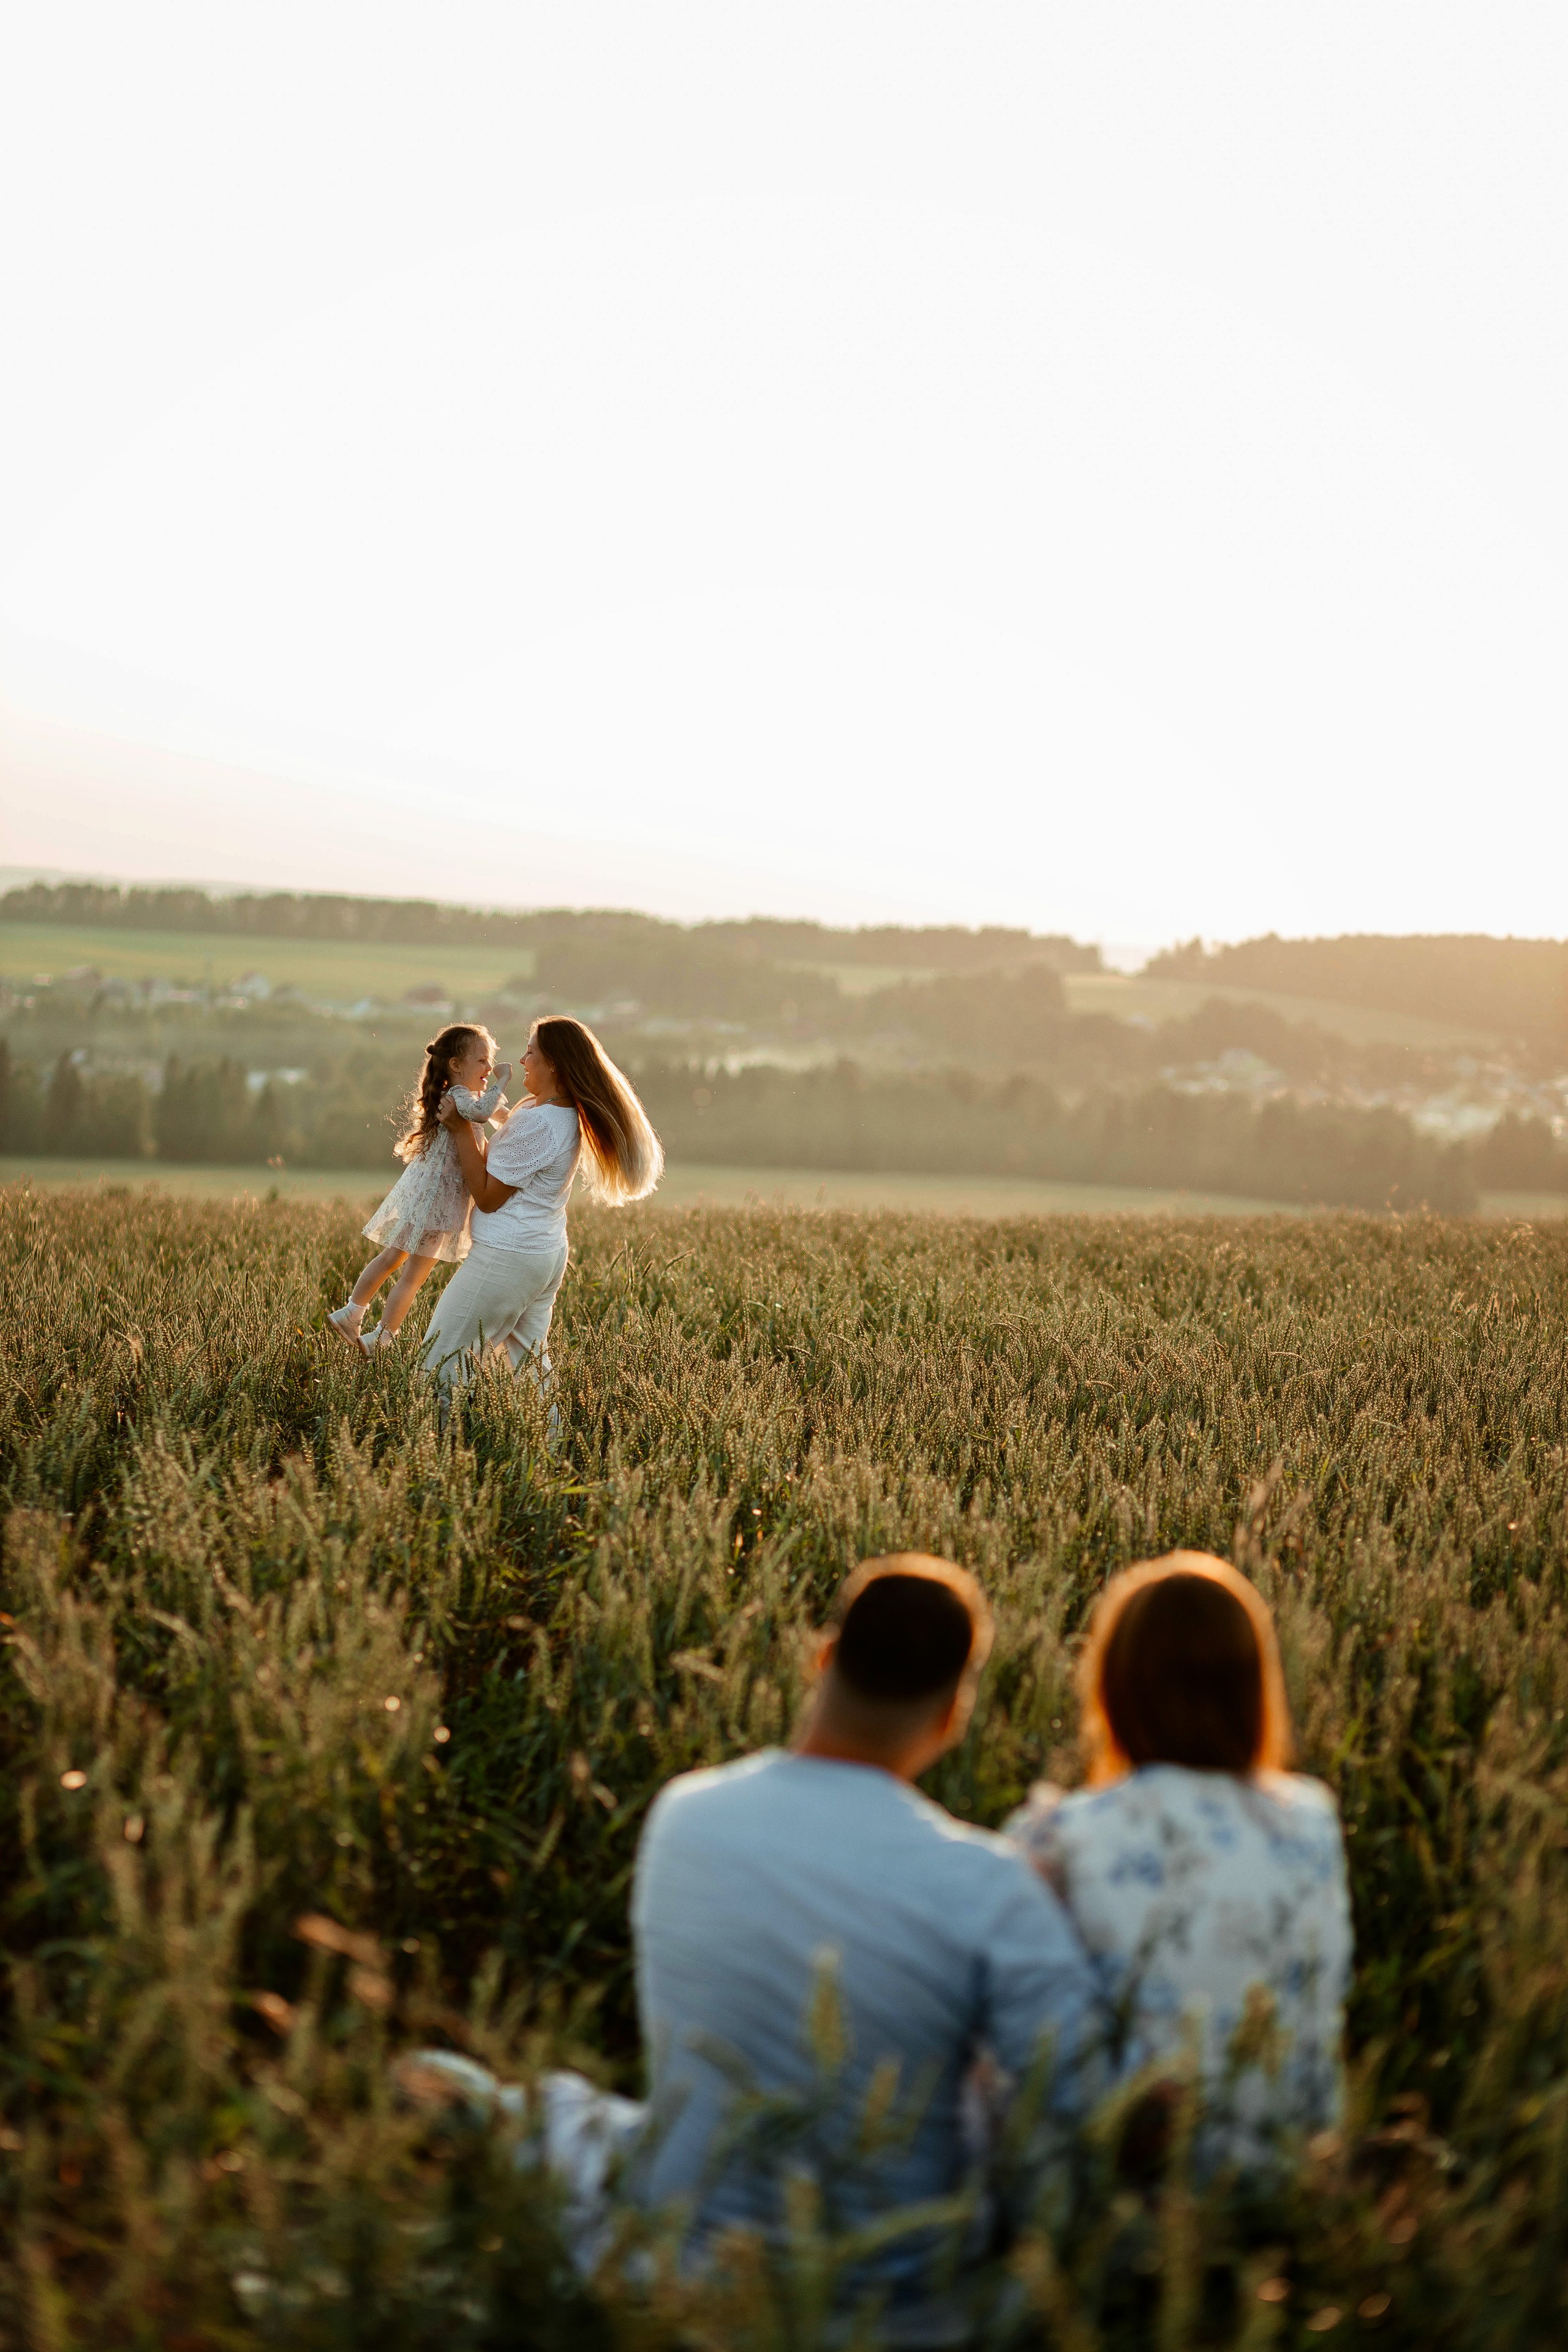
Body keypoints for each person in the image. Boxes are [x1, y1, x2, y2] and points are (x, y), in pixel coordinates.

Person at [630, 1555, 1104, 2323]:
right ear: (955, 1710)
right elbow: (1082, 2104)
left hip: (683, 2269)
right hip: (898, 2294)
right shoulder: (988, 1889)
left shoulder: (681, 1816)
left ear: (823, 1658)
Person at [1005, 1552, 1352, 2171]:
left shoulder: (1061, 1838)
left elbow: (1026, 2050)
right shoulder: (1310, 1823)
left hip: (1119, 2203)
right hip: (1283, 2185)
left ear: (1114, 1686)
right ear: (1254, 1687)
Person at [420, 1014, 662, 1396]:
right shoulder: (541, 1110)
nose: (521, 1061)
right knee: (530, 1369)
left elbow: (486, 1198)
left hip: (507, 1257)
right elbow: (513, 1133)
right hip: (541, 1254)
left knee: (438, 1361)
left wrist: (461, 1129)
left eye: (530, 1053)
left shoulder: (545, 1123)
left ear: (553, 1064)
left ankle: (439, 1447)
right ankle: (548, 1449)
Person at [326, 1025, 510, 1357]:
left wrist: (522, 1117)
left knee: (393, 1259)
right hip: (439, 1204)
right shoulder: (459, 1098)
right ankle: (378, 1336)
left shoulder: (465, 1097)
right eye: (482, 1060)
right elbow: (483, 1113)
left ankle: (353, 1313)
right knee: (411, 1277)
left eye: (491, 1061)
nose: (489, 1068)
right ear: (456, 1065)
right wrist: (504, 1080)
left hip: (427, 1199)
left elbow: (501, 1116)